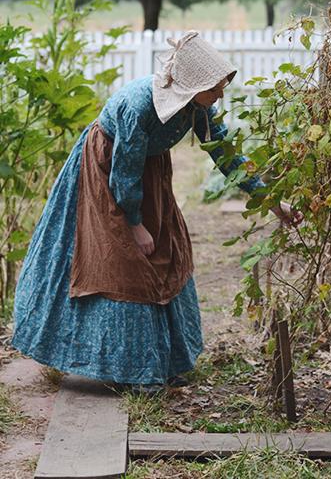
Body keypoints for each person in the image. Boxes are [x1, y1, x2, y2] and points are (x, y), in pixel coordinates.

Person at [12, 30, 302, 394]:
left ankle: (164, 362)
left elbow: (228, 157)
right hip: (106, 170)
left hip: (146, 174)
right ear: (189, 85)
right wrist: (133, 224)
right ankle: (131, 371)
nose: (220, 95)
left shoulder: (199, 108)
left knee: (165, 255)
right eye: (214, 88)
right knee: (120, 262)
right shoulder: (140, 106)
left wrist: (273, 202)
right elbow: (124, 171)